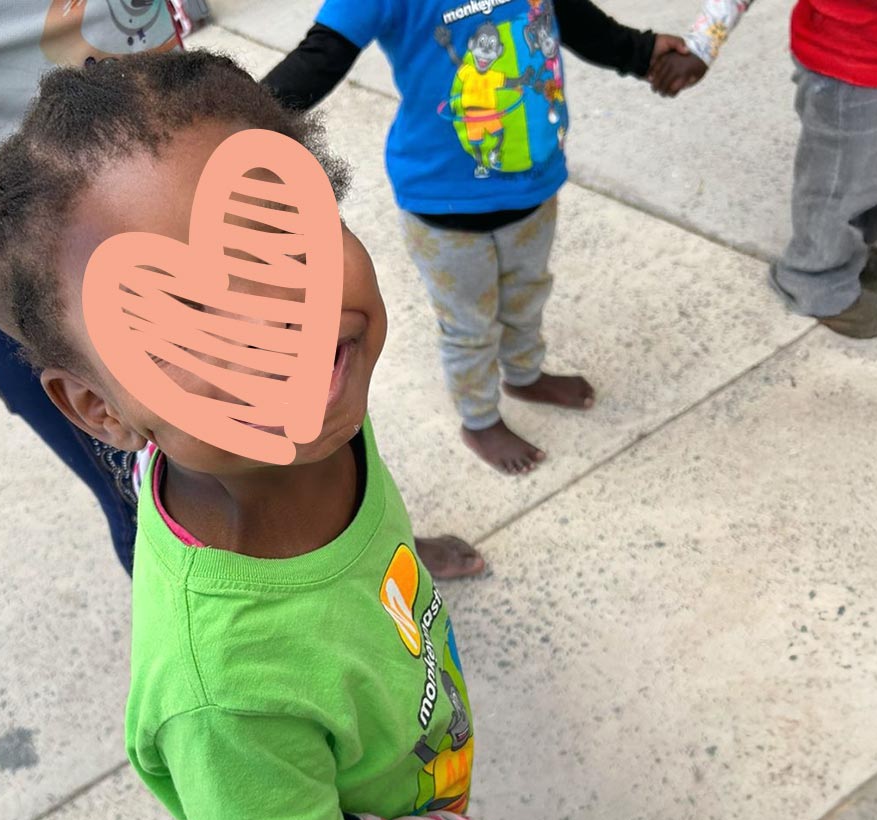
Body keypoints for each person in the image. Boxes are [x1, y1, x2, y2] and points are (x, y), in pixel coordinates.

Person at [0, 0, 485, 579]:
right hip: (35, 289)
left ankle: (370, 567)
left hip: (187, 180)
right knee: (190, 504)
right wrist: (128, 368)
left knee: (310, 417)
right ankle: (272, 665)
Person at [0, 49, 511, 820]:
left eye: (281, 244)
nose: (282, 332)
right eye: (187, 324)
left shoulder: (317, 422)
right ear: (99, 409)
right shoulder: (223, 693)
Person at [263, 0, 690, 475]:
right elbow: (318, 58)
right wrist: (236, 129)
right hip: (443, 200)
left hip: (533, 183)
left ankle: (524, 375)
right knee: (469, 324)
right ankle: (479, 418)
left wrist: (643, 51)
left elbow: (572, 15)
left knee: (528, 293)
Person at [648, 0, 877, 339]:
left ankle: (850, 249)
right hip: (852, 50)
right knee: (842, 180)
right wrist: (703, 42)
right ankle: (815, 277)